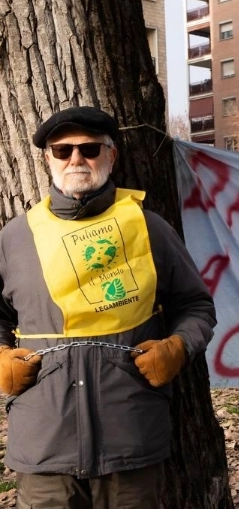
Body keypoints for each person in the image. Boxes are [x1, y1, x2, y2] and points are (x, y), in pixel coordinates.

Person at [0, 106, 217, 507]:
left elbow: (196, 305)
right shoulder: (15, 238)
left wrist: (179, 347)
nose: (76, 160)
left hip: (130, 437)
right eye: (63, 151)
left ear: (111, 155)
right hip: (44, 441)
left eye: (89, 149)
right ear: (48, 158)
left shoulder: (150, 228)